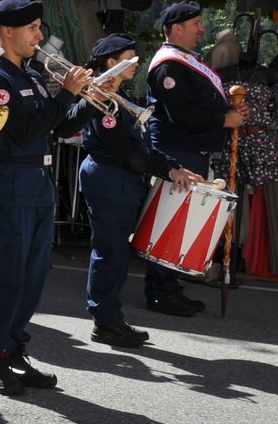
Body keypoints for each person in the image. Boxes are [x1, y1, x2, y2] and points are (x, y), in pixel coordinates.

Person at [0, 0, 91, 396]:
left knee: (32, 278)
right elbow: (21, 132)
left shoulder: (32, 75)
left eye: (39, 27)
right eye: (33, 28)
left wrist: (89, 100)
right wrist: (66, 94)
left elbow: (53, 126)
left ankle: (14, 348)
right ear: (8, 31)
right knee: (5, 276)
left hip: (37, 185)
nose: (40, 35)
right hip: (9, 184)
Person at [78, 34, 204, 347]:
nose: (136, 65)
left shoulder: (119, 97)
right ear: (111, 63)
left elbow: (142, 146)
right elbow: (128, 153)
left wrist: (172, 166)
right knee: (109, 253)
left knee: (116, 253)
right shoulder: (103, 100)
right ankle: (105, 321)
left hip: (119, 181)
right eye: (130, 59)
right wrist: (164, 168)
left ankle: (111, 317)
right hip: (109, 181)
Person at [143, 1, 247, 315]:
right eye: (197, 23)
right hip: (179, 151)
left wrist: (231, 111)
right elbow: (181, 114)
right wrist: (223, 120)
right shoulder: (169, 65)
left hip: (191, 150)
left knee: (185, 223)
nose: (202, 29)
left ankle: (171, 287)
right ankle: (160, 292)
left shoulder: (186, 60)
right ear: (177, 28)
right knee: (172, 223)